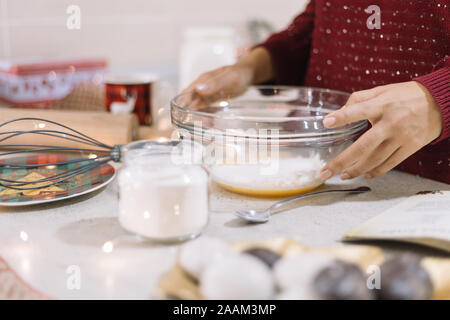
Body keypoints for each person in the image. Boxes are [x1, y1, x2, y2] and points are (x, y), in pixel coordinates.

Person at [181, 0, 449, 184]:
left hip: (431, 193)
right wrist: (250, 69)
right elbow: (321, 22)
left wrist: (436, 101)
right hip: (321, 175)